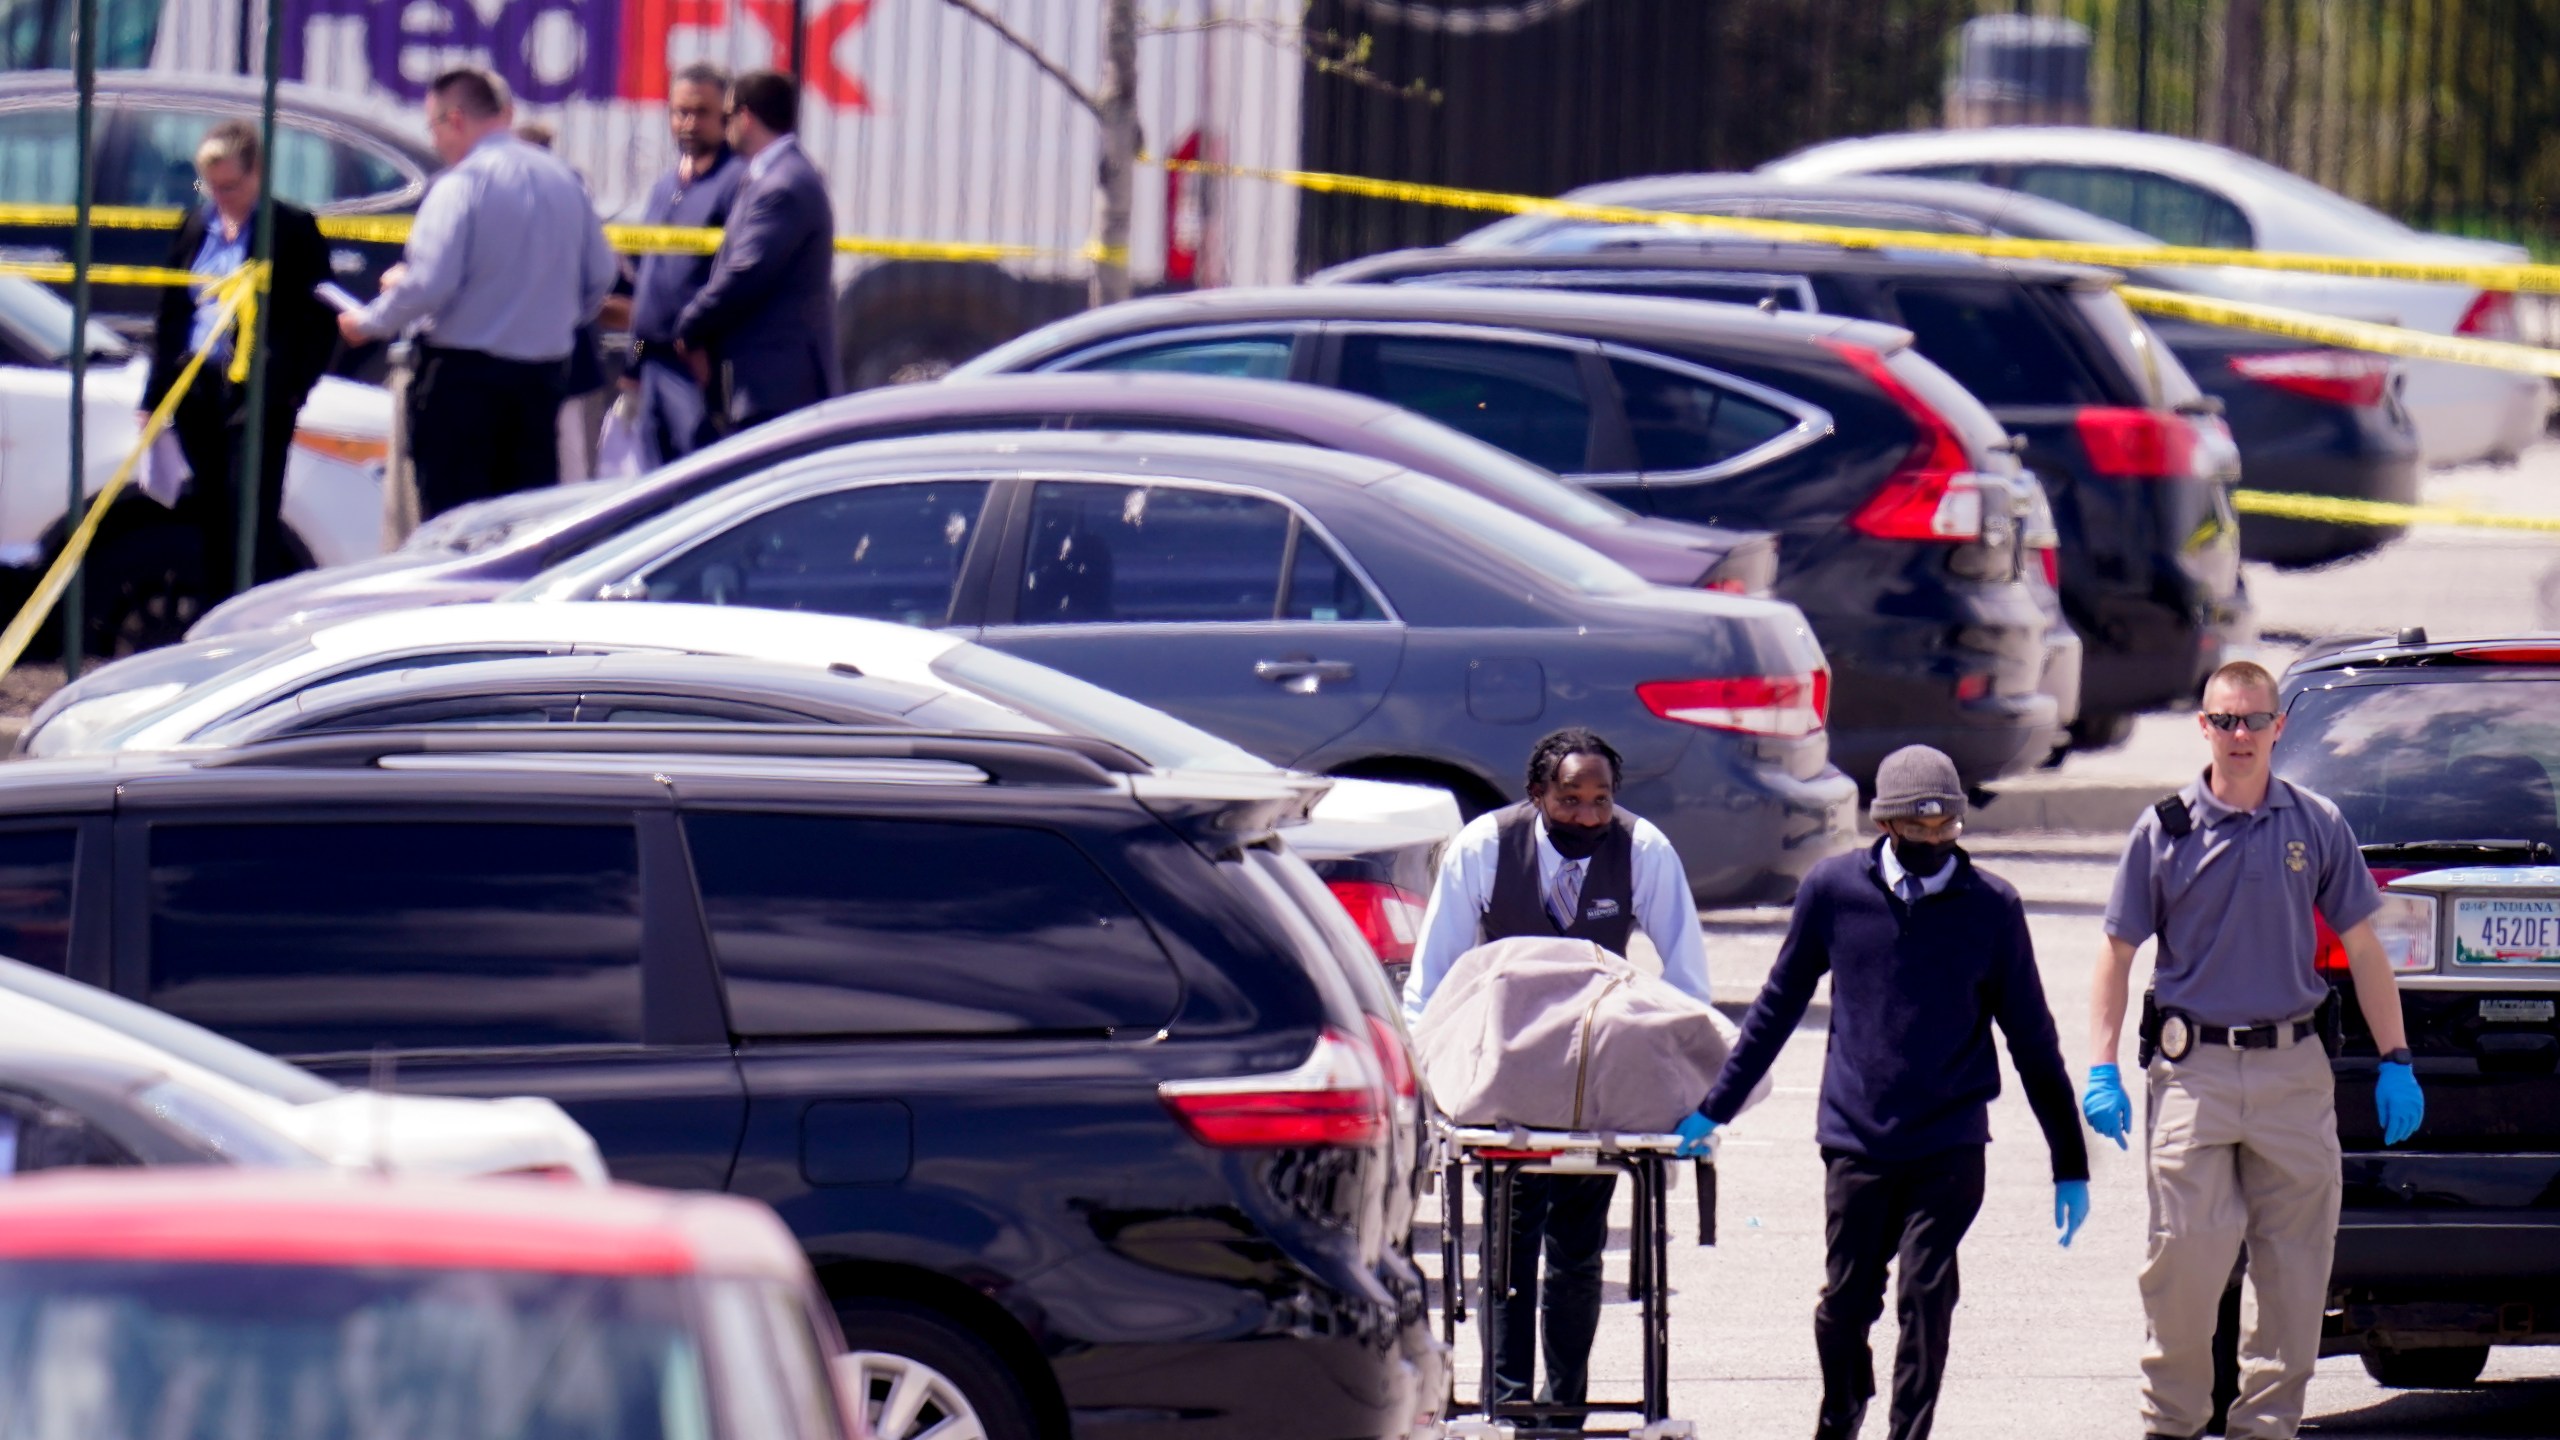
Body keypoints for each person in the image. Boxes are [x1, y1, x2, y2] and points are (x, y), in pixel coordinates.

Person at [1674, 745, 2090, 1440]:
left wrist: (2068, 1159)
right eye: (1917, 829)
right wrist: (1716, 1106)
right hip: (1856, 1133)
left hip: (1949, 1139)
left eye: (1945, 829)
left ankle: (1908, 1431)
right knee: (1845, 1302)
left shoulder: (1991, 907)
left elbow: (2033, 1039)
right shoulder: (1834, 891)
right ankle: (1842, 1409)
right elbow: (1778, 1004)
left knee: (1927, 1294)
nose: (1933, 842)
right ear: (1887, 826)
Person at [2082, 660, 2423, 1440]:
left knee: (2295, 1278)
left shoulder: (2315, 823)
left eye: (2253, 720)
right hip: (2193, 1072)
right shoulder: (2163, 831)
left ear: (2279, 727)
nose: (2240, 735)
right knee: (2186, 1266)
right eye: (2224, 720)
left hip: (2292, 1074)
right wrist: (2102, 1066)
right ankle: (2171, 1423)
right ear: (2203, 727)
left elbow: (2365, 949)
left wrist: (2396, 1057)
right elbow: (2116, 951)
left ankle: (2267, 1428)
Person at [1403, 727, 1712, 1425]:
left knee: (1578, 1251)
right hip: (1507, 1072)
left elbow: (1686, 978)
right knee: (1509, 1245)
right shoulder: (1484, 849)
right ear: (1537, 794)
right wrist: (1431, 1088)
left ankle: (1563, 1411)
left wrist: (1680, 1084)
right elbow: (1432, 979)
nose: (1587, 815)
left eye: (1600, 800)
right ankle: (1508, 1408)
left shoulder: (1644, 851)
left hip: (1592, 1075)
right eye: (1570, 799)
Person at [339, 66, 616, 518]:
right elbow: (600, 276)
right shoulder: (564, 181)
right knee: (521, 529)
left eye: (434, 128)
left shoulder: (460, 186)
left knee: (456, 530)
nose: (435, 142)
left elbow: (429, 284)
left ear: (455, 120)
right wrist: (554, 320)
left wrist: (369, 322)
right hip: (539, 385)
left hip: (462, 388)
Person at [140, 119, 335, 601]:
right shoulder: (194, 226)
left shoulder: (289, 228)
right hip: (198, 386)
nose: (221, 195)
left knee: (251, 512)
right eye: (212, 185)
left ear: (257, 175)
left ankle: (251, 613)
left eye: (231, 185)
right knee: (209, 512)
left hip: (258, 392)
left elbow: (321, 318)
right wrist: (154, 395)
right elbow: (171, 314)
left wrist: (294, 388)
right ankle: (214, 614)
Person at [673, 69, 840, 433]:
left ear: (745, 117)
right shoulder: (761, 177)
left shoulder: (783, 183)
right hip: (652, 352)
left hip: (777, 386)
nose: (722, 125)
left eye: (725, 116)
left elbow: (746, 272)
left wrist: (689, 325)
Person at [618, 63, 746, 465]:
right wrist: (633, 363)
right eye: (680, 112)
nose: (688, 123)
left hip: (695, 368)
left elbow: (736, 279)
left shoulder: (736, 184)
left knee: (698, 479)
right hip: (653, 364)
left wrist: (702, 344)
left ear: (725, 117)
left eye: (701, 113)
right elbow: (648, 288)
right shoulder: (665, 187)